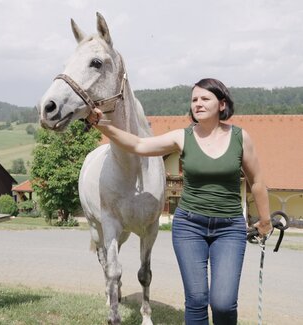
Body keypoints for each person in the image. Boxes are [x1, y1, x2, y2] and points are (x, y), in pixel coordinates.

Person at [87, 78, 272, 325]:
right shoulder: (182, 137)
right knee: (196, 300)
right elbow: (139, 144)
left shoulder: (240, 137)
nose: (198, 103)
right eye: (194, 99)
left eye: (205, 98)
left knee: (224, 303)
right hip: (189, 227)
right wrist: (102, 124)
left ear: (222, 104)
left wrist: (265, 220)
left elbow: (257, 180)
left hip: (229, 228)